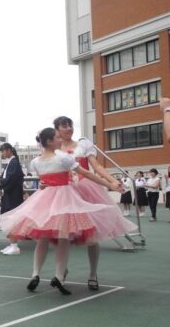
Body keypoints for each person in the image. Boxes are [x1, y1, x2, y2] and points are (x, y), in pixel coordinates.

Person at [0, 128, 133, 295]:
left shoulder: (35, 162)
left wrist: (43, 184)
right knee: (64, 238)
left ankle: (35, 274)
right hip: (64, 197)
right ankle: (59, 276)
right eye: (56, 138)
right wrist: (110, 184)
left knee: (43, 237)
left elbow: (43, 181)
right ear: (49, 141)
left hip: (45, 199)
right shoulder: (63, 157)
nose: (60, 140)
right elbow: (86, 173)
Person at [54, 116, 130, 290]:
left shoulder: (84, 145)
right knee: (63, 234)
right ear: (57, 129)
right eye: (64, 126)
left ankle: (92, 273)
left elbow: (97, 167)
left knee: (92, 236)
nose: (69, 128)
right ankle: (61, 271)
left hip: (86, 190)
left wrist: (113, 182)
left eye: (70, 125)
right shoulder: (54, 148)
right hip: (64, 192)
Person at [0, 142, 24, 255]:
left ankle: (14, 245)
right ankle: (12, 244)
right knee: (8, 219)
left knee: (11, 220)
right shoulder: (11, 163)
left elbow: (10, 179)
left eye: (2, 151)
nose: (2, 154)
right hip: (10, 195)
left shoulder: (14, 162)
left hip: (13, 195)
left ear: (8, 150)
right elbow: (6, 178)